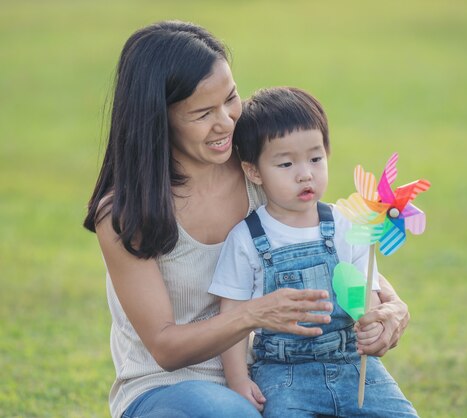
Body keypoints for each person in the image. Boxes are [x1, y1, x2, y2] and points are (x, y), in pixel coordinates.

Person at [83, 20, 411, 418]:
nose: (226, 121)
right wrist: (253, 314)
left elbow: (341, 244)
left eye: (230, 98)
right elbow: (165, 348)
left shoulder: (262, 171)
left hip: (270, 374)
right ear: (159, 119)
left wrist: (391, 307)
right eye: (203, 113)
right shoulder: (125, 212)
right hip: (168, 387)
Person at [209, 86, 418, 417]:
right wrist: (238, 380)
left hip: (351, 363)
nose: (305, 173)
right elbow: (233, 317)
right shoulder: (246, 238)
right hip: (283, 374)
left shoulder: (348, 224)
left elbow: (368, 291)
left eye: (315, 158)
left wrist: (372, 321)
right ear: (253, 172)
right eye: (286, 163)